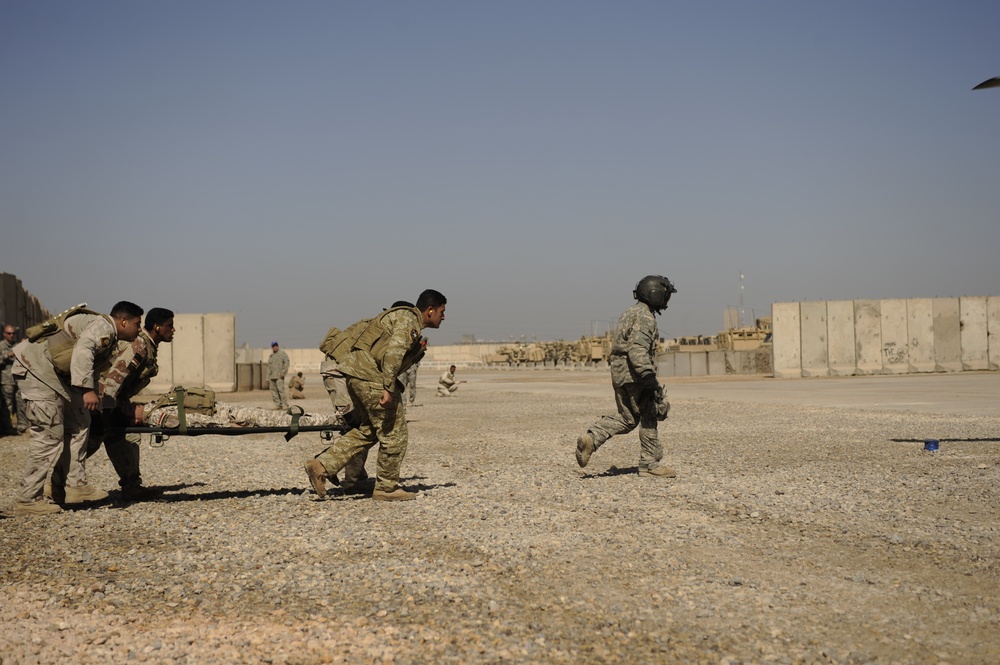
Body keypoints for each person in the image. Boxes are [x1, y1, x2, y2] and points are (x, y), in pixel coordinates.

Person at [304, 289, 445, 502]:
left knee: (368, 430)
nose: (443, 317)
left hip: (356, 376)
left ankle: (321, 465)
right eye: (442, 312)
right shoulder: (409, 320)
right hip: (371, 378)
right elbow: (393, 355)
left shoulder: (401, 318)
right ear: (430, 310)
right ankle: (387, 488)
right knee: (394, 433)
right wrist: (388, 389)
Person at [11, 301, 144, 516]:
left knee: (81, 422)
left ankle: (71, 485)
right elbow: (84, 351)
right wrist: (85, 390)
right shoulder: (103, 327)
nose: (139, 329)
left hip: (55, 376)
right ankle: (28, 499)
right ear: (123, 321)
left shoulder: (108, 334)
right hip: (36, 370)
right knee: (49, 433)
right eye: (137, 323)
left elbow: (89, 365)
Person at [53, 308, 175, 502]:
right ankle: (55, 484)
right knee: (89, 443)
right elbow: (112, 379)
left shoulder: (148, 346)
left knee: (123, 437)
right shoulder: (139, 345)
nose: (173, 330)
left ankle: (131, 486)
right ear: (158, 327)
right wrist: (106, 411)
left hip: (113, 402)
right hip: (103, 402)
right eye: (170, 326)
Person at [575, 276, 677, 478]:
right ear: (655, 294)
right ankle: (649, 464)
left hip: (620, 373)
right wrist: (648, 378)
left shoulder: (630, 312)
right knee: (650, 414)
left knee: (627, 418)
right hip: (636, 374)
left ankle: (592, 438)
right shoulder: (645, 317)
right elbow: (637, 349)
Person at [1, 324, 24, 434]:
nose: (11, 335)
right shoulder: (1, 346)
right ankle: (7, 428)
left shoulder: (17, 345)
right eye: (9, 333)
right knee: (8, 407)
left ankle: (22, 426)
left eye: (13, 333)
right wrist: (10, 354)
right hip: (6, 381)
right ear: (4, 334)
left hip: (17, 380)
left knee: (20, 404)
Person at [267, 341, 290, 410]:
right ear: (272, 347)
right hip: (272, 376)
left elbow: (287, 363)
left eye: (276, 346)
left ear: (278, 346)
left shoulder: (282, 354)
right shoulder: (271, 356)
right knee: (274, 391)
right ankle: (278, 405)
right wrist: (267, 378)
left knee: (281, 390)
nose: (275, 347)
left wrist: (283, 373)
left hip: (279, 376)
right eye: (274, 346)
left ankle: (285, 405)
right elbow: (269, 367)